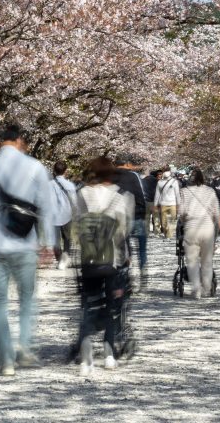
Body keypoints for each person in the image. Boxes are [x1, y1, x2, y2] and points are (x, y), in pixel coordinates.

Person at [0, 123, 56, 374]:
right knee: (27, 299)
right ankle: (25, 348)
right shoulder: (35, 167)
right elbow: (46, 209)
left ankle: (5, 361)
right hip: (24, 245)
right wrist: (48, 243)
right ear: (20, 140)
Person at [72, 156, 133, 375]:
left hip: (89, 260)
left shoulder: (82, 193)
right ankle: (108, 355)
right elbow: (124, 230)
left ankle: (86, 358)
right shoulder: (121, 195)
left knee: (89, 306)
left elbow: (76, 225)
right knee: (112, 308)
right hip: (113, 260)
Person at [178, 168, 220, 299]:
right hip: (208, 228)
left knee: (192, 260)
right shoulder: (210, 191)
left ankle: (196, 289)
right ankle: (206, 287)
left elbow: (181, 212)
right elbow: (216, 214)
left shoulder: (184, 192)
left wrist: (183, 222)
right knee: (207, 260)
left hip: (191, 228)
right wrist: (217, 231)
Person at [112, 154, 148, 280]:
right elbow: (140, 194)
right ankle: (143, 272)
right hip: (136, 214)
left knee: (123, 246)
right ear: (126, 164)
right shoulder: (133, 175)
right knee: (141, 247)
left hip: (119, 216)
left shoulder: (110, 177)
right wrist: (143, 212)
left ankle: (125, 274)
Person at [52, 160, 77, 270]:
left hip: (53, 216)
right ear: (65, 171)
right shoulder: (70, 185)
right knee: (67, 238)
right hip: (67, 214)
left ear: (54, 171)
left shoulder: (49, 185)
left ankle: (59, 258)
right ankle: (65, 260)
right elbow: (75, 202)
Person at [154, 168, 181, 238]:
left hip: (173, 204)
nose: (166, 173)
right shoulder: (160, 182)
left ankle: (169, 235)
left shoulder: (174, 182)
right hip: (163, 204)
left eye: (167, 171)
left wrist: (179, 204)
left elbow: (177, 194)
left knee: (172, 221)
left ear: (170, 172)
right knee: (164, 223)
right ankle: (166, 233)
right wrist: (155, 205)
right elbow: (157, 194)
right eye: (164, 171)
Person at [141, 168, 160, 235]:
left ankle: (147, 232)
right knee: (156, 217)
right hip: (154, 201)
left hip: (146, 200)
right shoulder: (157, 181)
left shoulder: (143, 180)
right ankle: (156, 232)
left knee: (147, 217)